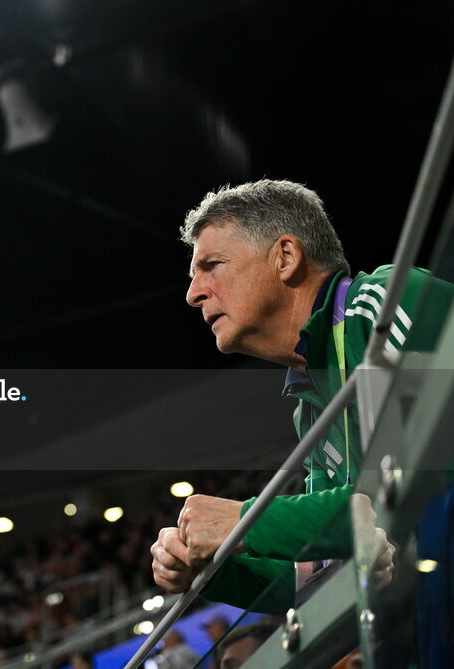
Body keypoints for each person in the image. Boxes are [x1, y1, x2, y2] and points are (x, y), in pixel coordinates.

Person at [150, 179, 454, 612]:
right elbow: (325, 575)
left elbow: (420, 478)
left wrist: (244, 522)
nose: (193, 293)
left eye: (211, 265)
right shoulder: (309, 411)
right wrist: (211, 570)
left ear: (286, 257)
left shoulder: (385, 302)